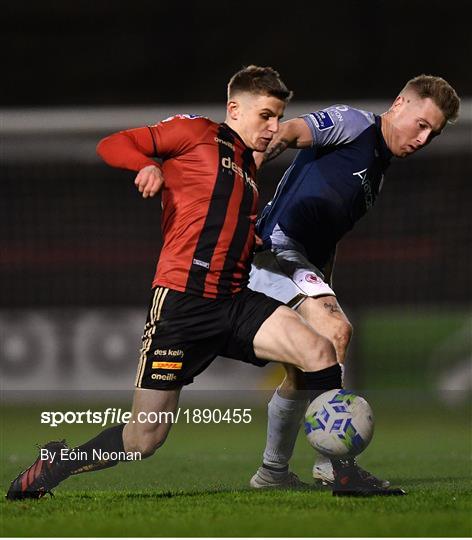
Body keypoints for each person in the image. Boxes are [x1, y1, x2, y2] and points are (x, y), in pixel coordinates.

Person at [7, 65, 397, 501]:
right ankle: (57, 464)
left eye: (278, 117)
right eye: (266, 115)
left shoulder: (250, 167)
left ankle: (341, 472)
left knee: (319, 351)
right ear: (235, 108)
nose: (274, 127)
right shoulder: (194, 132)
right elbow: (112, 143)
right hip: (182, 304)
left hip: (233, 300)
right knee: (144, 439)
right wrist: (146, 166)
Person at [247, 74, 461, 490]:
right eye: (421, 124)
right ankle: (333, 465)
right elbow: (291, 132)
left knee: (301, 373)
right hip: (274, 249)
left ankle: (272, 472)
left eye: (432, 135)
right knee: (337, 331)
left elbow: (328, 237)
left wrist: (324, 285)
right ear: (399, 103)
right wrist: (251, 161)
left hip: (301, 261)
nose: (422, 139)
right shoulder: (354, 123)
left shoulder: (378, 168)